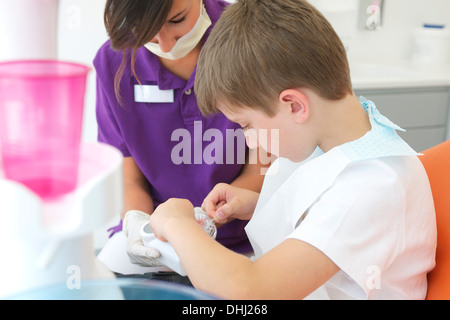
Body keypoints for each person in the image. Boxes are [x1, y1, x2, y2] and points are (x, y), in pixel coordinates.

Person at [148, 0, 437, 299]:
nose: (249, 141)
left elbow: (251, 290)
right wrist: (255, 202)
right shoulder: (334, 134)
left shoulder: (371, 187)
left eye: (247, 125)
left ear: (294, 105)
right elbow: (321, 200)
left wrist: (177, 223)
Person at [94, 0, 267, 276]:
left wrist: (210, 217)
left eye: (177, 20)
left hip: (245, 236)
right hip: (157, 238)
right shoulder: (114, 62)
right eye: (145, 29)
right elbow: (128, 179)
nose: (165, 46)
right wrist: (139, 224)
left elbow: (268, 159)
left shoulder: (253, 39)